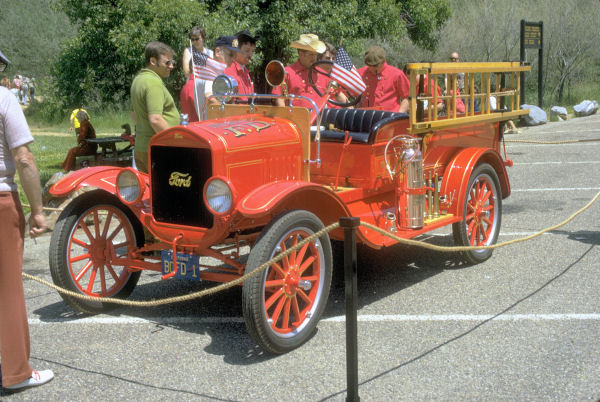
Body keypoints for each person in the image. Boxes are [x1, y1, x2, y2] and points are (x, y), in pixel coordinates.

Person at [0, 49, 54, 392]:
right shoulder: (4, 98)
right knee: (8, 291)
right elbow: (24, 158)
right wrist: (38, 209)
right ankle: (17, 372)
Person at [130, 41, 179, 173]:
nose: (172, 66)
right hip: (156, 151)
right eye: (167, 62)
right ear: (153, 61)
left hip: (142, 147)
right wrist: (176, 142)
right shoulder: (153, 82)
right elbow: (156, 119)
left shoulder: (138, 80)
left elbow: (133, 115)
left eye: (172, 61)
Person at [272, 33, 332, 110]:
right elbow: (279, 98)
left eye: (315, 54)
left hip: (319, 120)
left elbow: (334, 98)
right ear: (301, 54)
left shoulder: (323, 75)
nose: (314, 58)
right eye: (311, 55)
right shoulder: (286, 73)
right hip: (294, 120)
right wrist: (286, 116)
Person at [358, 46, 409, 113]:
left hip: (390, 119)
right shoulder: (360, 74)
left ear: (383, 61)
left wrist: (398, 115)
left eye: (376, 66)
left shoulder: (397, 74)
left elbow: (408, 97)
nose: (373, 68)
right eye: (370, 65)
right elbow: (345, 94)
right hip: (366, 118)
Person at [182, 27, 214, 122]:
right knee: (193, 117)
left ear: (203, 38)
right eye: (192, 39)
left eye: (197, 39)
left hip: (207, 88)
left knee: (206, 116)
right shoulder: (188, 51)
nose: (195, 42)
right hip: (193, 88)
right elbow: (186, 71)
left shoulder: (210, 53)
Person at [203, 36, 242, 107]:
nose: (233, 59)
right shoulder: (210, 69)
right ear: (217, 52)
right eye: (231, 55)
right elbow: (209, 97)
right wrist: (226, 110)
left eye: (235, 56)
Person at [224, 30, 259, 99]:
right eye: (247, 51)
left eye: (252, 51)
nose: (250, 55)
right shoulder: (229, 70)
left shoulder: (245, 71)